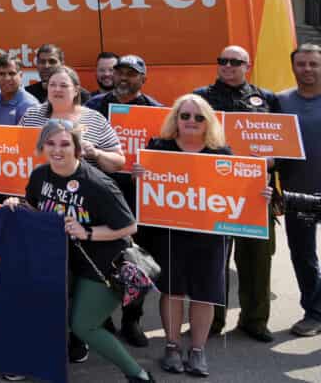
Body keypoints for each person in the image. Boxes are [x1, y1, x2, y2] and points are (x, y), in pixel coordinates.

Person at [4, 120, 153, 383]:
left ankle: (138, 375)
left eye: (64, 144)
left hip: (102, 265)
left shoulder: (97, 184)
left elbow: (130, 226)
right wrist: (18, 205)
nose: (57, 150)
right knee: (40, 306)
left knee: (84, 326)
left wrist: (88, 233)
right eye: (50, 143)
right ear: (42, 146)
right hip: (60, 260)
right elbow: (38, 211)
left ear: (77, 149)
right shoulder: (40, 176)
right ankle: (30, 360)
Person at [137, 94, 269, 377]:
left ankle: (197, 351)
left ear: (208, 121)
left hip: (210, 235)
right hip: (170, 232)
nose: (191, 121)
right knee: (172, 291)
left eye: (199, 117)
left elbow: (241, 192)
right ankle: (172, 347)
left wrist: (262, 192)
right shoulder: (160, 148)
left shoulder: (222, 153)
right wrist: (139, 175)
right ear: (176, 119)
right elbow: (144, 188)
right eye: (185, 116)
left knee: (204, 293)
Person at [194, 45, 279, 341]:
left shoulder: (267, 98)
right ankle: (211, 322)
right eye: (222, 61)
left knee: (257, 258)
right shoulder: (200, 97)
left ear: (248, 65)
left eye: (234, 62)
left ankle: (255, 321)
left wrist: (273, 161)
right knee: (212, 258)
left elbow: (282, 143)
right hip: (212, 191)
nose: (227, 66)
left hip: (255, 192)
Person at [84, 54, 162, 346]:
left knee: (137, 263)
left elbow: (164, 157)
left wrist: (150, 166)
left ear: (143, 79)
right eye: (119, 73)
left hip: (137, 197)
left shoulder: (155, 111)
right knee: (100, 261)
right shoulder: (93, 106)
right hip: (99, 194)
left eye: (131, 74)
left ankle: (132, 321)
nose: (123, 78)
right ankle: (102, 320)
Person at [276, 42, 321, 337]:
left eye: (313, 64)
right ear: (292, 66)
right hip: (297, 194)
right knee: (303, 255)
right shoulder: (279, 101)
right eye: (301, 64)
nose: (307, 69)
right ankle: (314, 313)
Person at [20, 66, 125, 174]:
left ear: (76, 90)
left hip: (79, 188)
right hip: (38, 187)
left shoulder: (95, 119)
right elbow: (15, 150)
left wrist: (97, 153)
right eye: (52, 85)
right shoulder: (31, 115)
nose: (57, 89)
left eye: (63, 85)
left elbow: (119, 163)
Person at [26, 44, 91, 104]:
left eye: (52, 61)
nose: (46, 66)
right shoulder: (28, 94)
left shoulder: (82, 95)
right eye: (42, 62)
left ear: (62, 64)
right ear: (37, 64)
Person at [0, 54, 39, 126]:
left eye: (11, 73)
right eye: (2, 74)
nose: (7, 78)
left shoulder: (31, 106)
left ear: (20, 75)